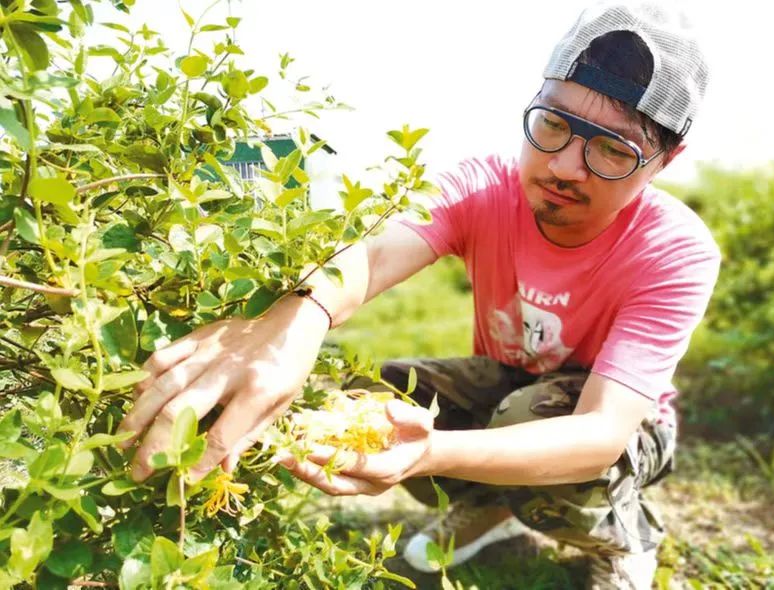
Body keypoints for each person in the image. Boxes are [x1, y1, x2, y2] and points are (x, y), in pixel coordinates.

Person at [117, 2, 719, 587]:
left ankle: (625, 536)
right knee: (380, 397)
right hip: (512, 381)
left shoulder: (673, 250)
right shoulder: (485, 187)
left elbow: (599, 433)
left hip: (622, 421)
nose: (564, 166)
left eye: (613, 150)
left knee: (524, 419)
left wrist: (430, 452)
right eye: (553, 125)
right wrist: (296, 322)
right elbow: (376, 254)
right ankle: (491, 505)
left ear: (665, 160)